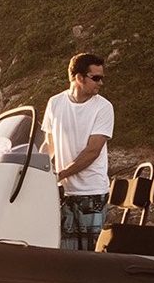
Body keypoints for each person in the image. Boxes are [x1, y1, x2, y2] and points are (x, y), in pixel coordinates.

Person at [42, 52, 114, 250]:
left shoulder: (104, 107)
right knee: (64, 254)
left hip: (93, 193)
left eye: (102, 78)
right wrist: (37, 172)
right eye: (96, 78)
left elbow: (93, 151)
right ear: (79, 77)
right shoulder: (55, 103)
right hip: (64, 194)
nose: (100, 83)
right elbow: (48, 146)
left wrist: (60, 174)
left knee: (92, 255)